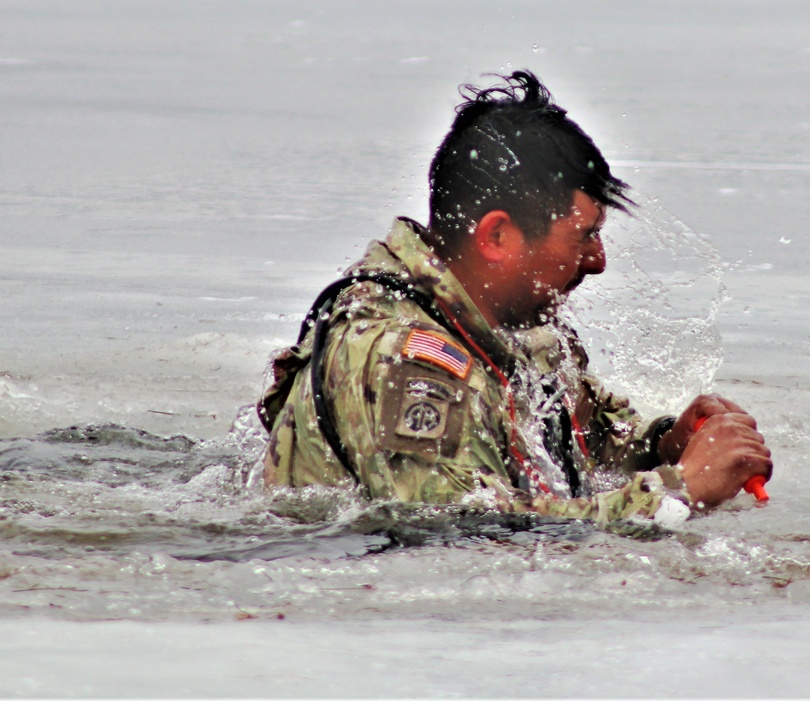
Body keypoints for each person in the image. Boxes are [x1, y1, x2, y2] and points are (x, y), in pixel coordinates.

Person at [257, 70, 771, 528]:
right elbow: (458, 529)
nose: (598, 261)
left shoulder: (508, 324)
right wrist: (680, 491)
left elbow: (578, 439)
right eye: (583, 236)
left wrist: (662, 445)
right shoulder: (403, 361)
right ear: (497, 236)